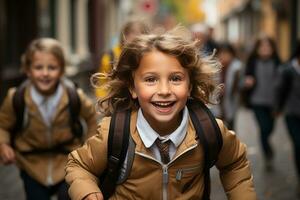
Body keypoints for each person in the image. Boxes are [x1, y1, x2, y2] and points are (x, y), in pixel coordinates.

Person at [65, 26, 257, 200]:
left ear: (190, 86)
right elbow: (79, 165)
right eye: (150, 79)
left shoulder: (208, 130)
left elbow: (234, 163)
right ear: (133, 88)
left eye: (175, 78)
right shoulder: (114, 133)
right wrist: (87, 191)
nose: (164, 90)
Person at [0, 38, 97, 200]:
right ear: (28, 69)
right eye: (38, 67)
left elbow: (92, 119)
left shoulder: (74, 96)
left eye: (52, 68)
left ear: (61, 70)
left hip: (68, 162)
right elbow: (3, 125)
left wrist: (88, 148)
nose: (45, 73)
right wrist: (3, 144)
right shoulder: (16, 98)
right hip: (32, 165)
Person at [241, 36, 281, 170]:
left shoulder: (278, 63)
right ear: (257, 49)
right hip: (257, 101)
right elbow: (243, 81)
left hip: (273, 103)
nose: (265, 49)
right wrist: (247, 82)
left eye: (268, 47)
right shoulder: (252, 62)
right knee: (264, 128)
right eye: (262, 47)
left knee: (270, 128)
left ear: (273, 49)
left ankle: (267, 147)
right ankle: (267, 154)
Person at [95, 19, 149, 98]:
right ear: (124, 35)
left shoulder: (149, 56)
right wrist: (104, 100)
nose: (136, 36)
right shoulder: (111, 56)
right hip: (116, 104)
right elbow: (101, 83)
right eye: (132, 32)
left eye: (140, 33)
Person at [276, 41, 300, 193]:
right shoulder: (288, 70)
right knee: (299, 145)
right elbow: (281, 91)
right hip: (292, 114)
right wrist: (278, 108)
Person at [217, 43, 243, 130]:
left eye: (227, 53)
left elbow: (240, 84)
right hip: (217, 101)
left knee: (231, 126)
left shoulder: (237, 68)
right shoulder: (214, 67)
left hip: (231, 100)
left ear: (232, 55)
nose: (224, 56)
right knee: (218, 127)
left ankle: (231, 142)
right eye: (221, 53)